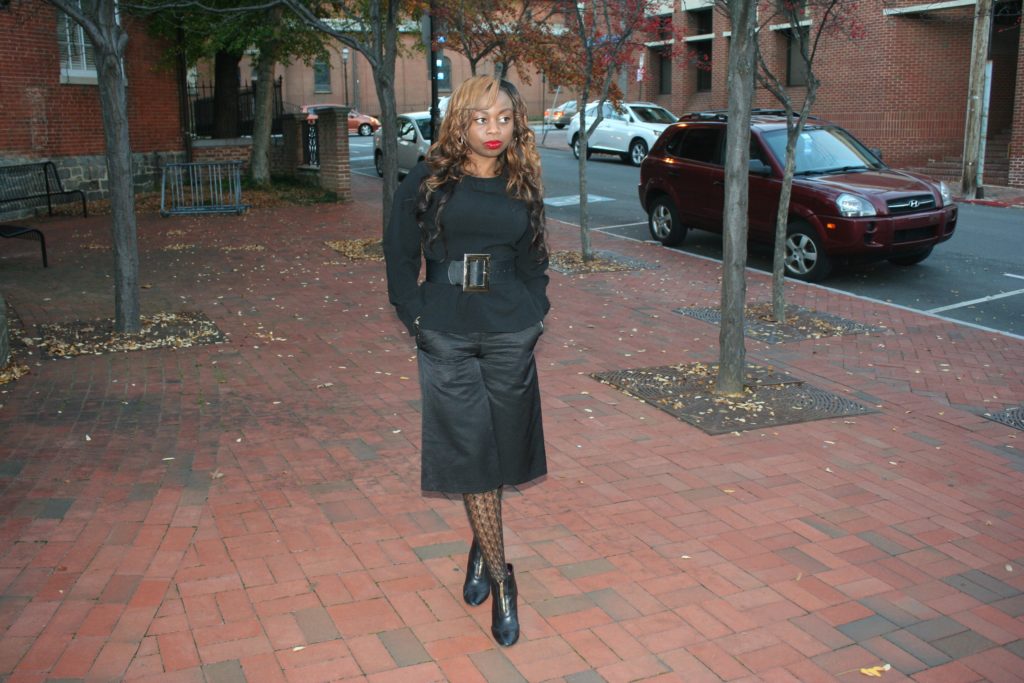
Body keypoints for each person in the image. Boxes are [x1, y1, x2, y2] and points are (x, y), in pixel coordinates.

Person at [383, 76, 549, 647]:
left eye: (504, 118)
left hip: (509, 330)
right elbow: (399, 255)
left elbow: (534, 257)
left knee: (501, 446)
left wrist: (536, 313)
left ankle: (483, 547)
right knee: (472, 451)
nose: (494, 130)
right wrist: (417, 318)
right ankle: (504, 581)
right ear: (460, 122)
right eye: (481, 119)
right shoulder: (427, 181)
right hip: (447, 330)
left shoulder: (521, 178)